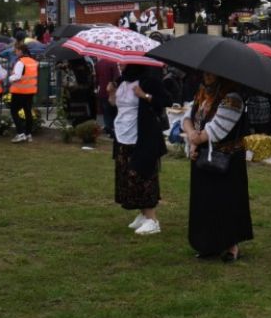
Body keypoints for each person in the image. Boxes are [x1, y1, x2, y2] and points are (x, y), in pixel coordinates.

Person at [182, 73, 253, 261]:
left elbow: (217, 129)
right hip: (203, 156)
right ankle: (208, 244)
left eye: (211, 73)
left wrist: (196, 139)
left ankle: (231, 245)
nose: (207, 76)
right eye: (205, 72)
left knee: (226, 201)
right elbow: (187, 118)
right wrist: (192, 135)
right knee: (204, 201)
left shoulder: (232, 98)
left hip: (226, 159)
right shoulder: (202, 93)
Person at [108, 65, 168, 235]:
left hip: (143, 136)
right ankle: (143, 214)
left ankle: (152, 219)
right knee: (128, 174)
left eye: (124, 62)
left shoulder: (148, 81)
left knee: (143, 173)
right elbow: (115, 104)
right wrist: (111, 93)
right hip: (123, 134)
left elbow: (165, 101)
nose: (120, 64)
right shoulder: (121, 81)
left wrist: (144, 95)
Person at [7, 41, 39, 143]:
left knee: (14, 111)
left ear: (21, 51)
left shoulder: (20, 62)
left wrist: (10, 78)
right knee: (28, 111)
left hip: (20, 91)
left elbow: (17, 76)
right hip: (30, 90)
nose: (15, 52)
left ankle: (20, 133)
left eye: (16, 51)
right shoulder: (33, 61)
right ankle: (28, 134)